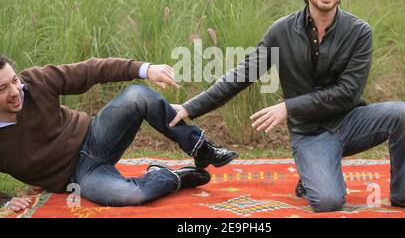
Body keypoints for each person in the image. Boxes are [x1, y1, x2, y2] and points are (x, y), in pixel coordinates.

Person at [169, 0, 405, 213]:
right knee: (327, 202)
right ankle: (311, 174)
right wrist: (190, 108)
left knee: (404, 114)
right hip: (309, 132)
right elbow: (240, 76)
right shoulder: (281, 31)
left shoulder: (360, 32)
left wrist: (288, 107)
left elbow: (348, 94)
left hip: (350, 121)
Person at [0, 56, 238, 211]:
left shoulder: (35, 82)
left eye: (15, 80)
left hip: (95, 135)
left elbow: (90, 70)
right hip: (79, 177)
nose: (15, 91)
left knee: (137, 96)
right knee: (131, 195)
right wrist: (4, 200)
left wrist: (145, 69)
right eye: (3, 88)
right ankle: (172, 178)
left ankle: (201, 149)